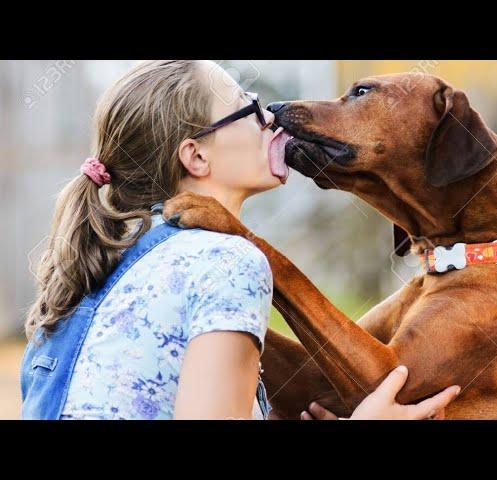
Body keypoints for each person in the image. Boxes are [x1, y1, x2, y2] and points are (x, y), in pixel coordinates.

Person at [21, 60, 460, 420]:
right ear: (196, 155)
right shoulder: (225, 261)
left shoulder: (91, 271)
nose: (271, 116)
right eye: (247, 108)